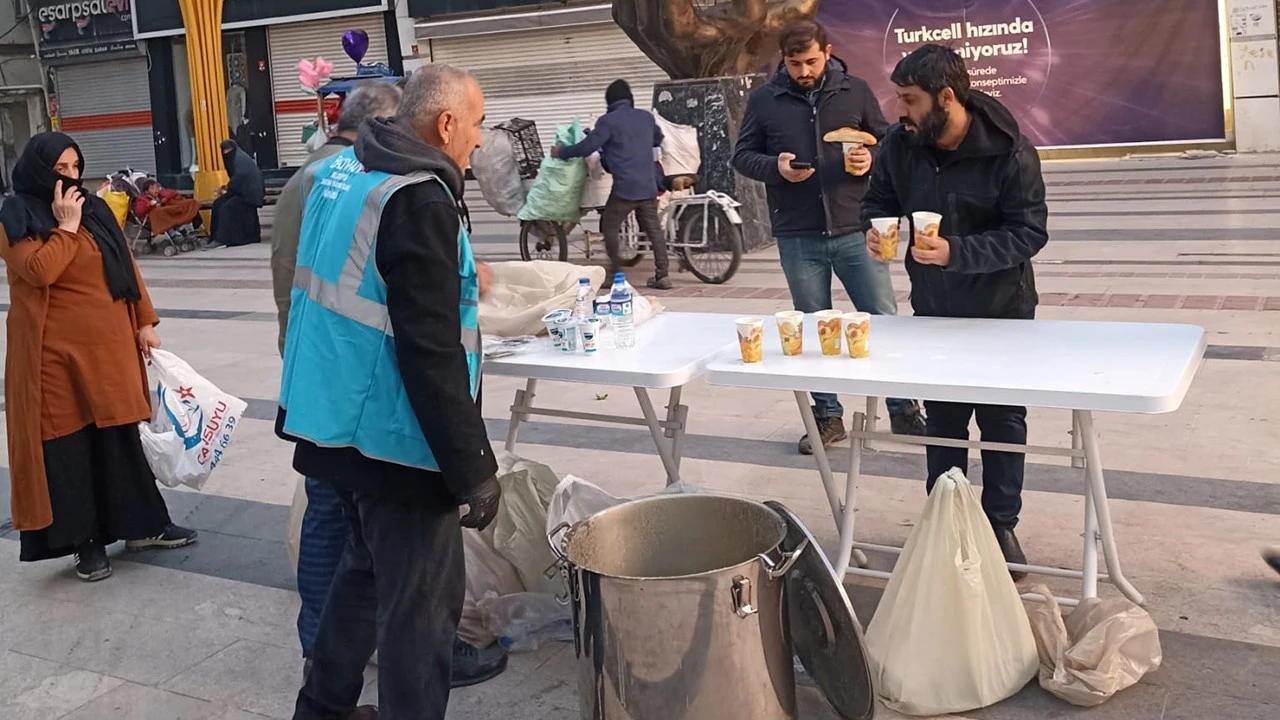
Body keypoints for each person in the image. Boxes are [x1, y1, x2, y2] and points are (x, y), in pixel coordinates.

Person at [277, 64, 504, 719]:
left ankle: (320, 709)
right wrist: (473, 469)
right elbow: (429, 350)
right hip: (394, 439)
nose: (482, 140)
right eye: (479, 123)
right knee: (422, 614)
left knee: (364, 575)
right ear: (446, 123)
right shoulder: (418, 199)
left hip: (333, 421)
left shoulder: (347, 171)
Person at [861, 44, 1049, 576]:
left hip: (1001, 311)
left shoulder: (1010, 151)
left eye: (910, 100)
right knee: (943, 418)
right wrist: (879, 233)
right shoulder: (901, 145)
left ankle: (1000, 524)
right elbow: (878, 203)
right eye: (899, 98)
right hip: (935, 309)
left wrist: (957, 252)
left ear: (947, 96)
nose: (900, 111)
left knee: (1002, 419)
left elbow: (1029, 232)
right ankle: (943, 520)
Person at [0, 132, 197, 583]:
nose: (69, 178)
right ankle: (84, 543)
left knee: (119, 439)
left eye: (74, 167)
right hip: (56, 359)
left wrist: (145, 321)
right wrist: (66, 228)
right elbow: (38, 271)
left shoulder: (96, 209)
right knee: (71, 447)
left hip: (109, 349)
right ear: (38, 170)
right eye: (59, 169)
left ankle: (144, 526)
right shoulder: (16, 216)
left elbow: (125, 265)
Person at [733, 20, 924, 455]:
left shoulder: (854, 90)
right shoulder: (765, 100)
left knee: (881, 317)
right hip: (798, 233)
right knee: (813, 325)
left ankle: (902, 406)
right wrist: (775, 168)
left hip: (857, 226)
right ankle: (826, 416)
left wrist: (868, 157)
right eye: (794, 63)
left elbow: (888, 139)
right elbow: (743, 155)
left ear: (828, 51)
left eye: (811, 61)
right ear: (782, 60)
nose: (804, 70)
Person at [551, 79, 671, 289]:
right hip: (648, 185)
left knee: (609, 225)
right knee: (654, 229)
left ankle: (616, 273)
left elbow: (587, 147)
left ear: (610, 101)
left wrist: (561, 152)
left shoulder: (607, 121)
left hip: (625, 188)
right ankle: (663, 276)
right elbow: (657, 139)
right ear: (630, 98)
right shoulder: (645, 117)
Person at [208, 139, 265, 248]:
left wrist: (228, 189)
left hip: (250, 195)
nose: (226, 153)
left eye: (229, 150)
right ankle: (214, 236)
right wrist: (228, 189)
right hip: (241, 191)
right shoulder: (236, 159)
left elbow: (240, 178)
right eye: (224, 150)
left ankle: (222, 238)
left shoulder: (241, 160)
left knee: (226, 208)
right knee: (217, 204)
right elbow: (236, 180)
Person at [134, 178, 203, 237]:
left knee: (182, 204)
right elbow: (139, 211)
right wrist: (148, 205)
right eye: (152, 189)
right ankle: (172, 233)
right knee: (160, 211)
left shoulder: (160, 195)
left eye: (157, 188)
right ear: (146, 191)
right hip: (154, 218)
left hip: (166, 214)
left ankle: (190, 227)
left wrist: (165, 198)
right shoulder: (143, 199)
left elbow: (171, 193)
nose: (156, 190)